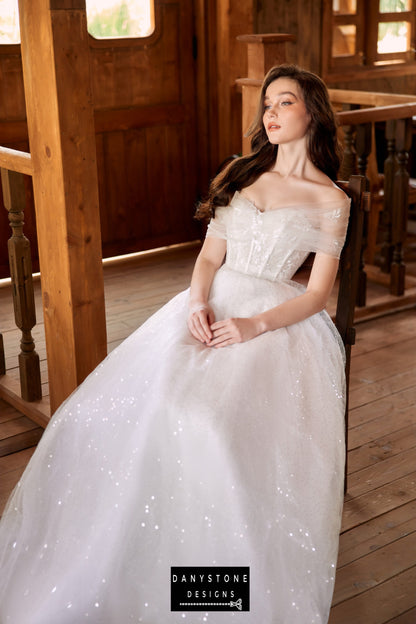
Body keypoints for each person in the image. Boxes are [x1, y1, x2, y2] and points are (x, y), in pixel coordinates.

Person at [0, 64, 350, 623]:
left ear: (313, 111)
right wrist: (195, 304)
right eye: (267, 104)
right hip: (209, 308)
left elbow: (317, 296)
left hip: (273, 325)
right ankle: (126, 559)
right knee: (130, 411)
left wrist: (254, 325)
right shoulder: (240, 172)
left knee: (206, 427)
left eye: (285, 102)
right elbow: (210, 258)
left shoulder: (330, 200)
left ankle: (211, 596)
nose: (271, 113)